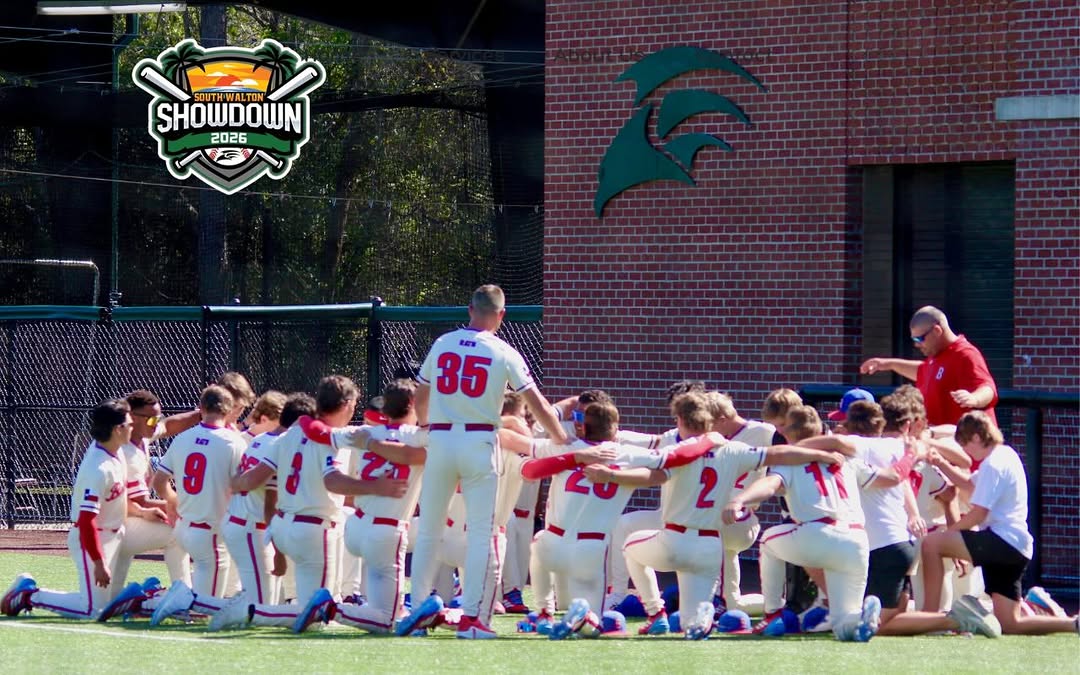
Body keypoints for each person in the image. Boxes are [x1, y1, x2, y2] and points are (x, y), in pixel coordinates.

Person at [611, 393, 849, 639]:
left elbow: (651, 475)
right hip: (710, 546)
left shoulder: (679, 451)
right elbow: (778, 453)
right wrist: (821, 455)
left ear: (680, 419)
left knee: (630, 544)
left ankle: (655, 613)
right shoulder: (734, 449)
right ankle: (702, 617)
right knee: (689, 621)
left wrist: (611, 474)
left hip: (675, 539)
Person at [406, 284, 569, 639]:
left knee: (430, 528)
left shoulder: (443, 342)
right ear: (501, 315)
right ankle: (472, 618)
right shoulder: (504, 351)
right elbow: (538, 404)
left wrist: (424, 425)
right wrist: (561, 440)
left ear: (469, 309)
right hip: (480, 440)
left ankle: (418, 610)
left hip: (442, 437)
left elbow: (421, 395)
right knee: (482, 533)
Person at [722, 405, 884, 642]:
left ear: (787, 434)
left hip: (818, 532)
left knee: (767, 541)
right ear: (820, 429)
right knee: (842, 625)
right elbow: (889, 479)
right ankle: (858, 617)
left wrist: (739, 499)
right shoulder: (847, 458)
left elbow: (771, 485)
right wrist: (911, 456)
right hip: (856, 540)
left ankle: (772, 613)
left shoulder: (789, 460)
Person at [921, 412, 1080, 635]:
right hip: (1018, 548)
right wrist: (941, 463)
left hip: (1001, 543)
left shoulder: (993, 464)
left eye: (966, 445)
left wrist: (950, 533)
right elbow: (969, 483)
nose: (967, 453)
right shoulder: (1006, 454)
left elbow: (977, 515)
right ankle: (1073, 624)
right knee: (1009, 624)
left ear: (976, 438)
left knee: (931, 544)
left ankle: (927, 619)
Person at [2, 400, 161, 619]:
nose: (132, 426)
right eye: (128, 423)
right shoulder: (98, 467)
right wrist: (98, 562)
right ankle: (28, 595)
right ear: (117, 430)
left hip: (115, 534)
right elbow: (87, 521)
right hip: (93, 540)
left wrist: (143, 513)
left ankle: (136, 600)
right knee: (92, 611)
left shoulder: (117, 452)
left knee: (109, 608)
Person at [151, 386, 248, 601]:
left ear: (202, 408)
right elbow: (243, 487)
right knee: (206, 606)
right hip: (210, 532)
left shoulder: (183, 438)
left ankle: (158, 598)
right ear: (229, 409)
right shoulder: (234, 442)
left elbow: (159, 482)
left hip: (183, 528)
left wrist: (173, 499)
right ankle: (149, 601)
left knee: (201, 599)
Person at [107, 389, 197, 601]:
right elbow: (139, 501)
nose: (156, 423)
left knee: (109, 601)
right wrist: (186, 505)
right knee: (177, 532)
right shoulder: (126, 451)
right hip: (110, 531)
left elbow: (169, 426)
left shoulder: (140, 435)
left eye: (158, 417)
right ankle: (183, 596)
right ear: (132, 418)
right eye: (151, 419)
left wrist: (199, 414)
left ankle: (176, 594)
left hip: (118, 524)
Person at [859, 306, 998, 426]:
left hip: (969, 449)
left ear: (937, 331)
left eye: (919, 339)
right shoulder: (937, 357)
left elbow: (987, 388)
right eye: (913, 339)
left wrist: (974, 398)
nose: (916, 344)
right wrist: (887, 364)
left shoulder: (965, 354)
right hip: (943, 447)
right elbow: (923, 371)